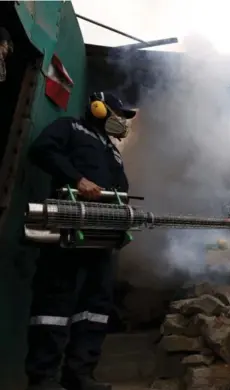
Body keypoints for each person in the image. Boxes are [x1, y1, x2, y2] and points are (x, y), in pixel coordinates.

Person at [25, 92, 137, 390]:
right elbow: (42, 150)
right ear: (98, 107)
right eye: (117, 113)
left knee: (95, 305)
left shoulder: (112, 151)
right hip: (69, 229)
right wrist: (76, 178)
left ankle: (80, 374)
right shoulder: (70, 128)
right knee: (54, 303)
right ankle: (43, 378)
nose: (121, 121)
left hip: (101, 235)